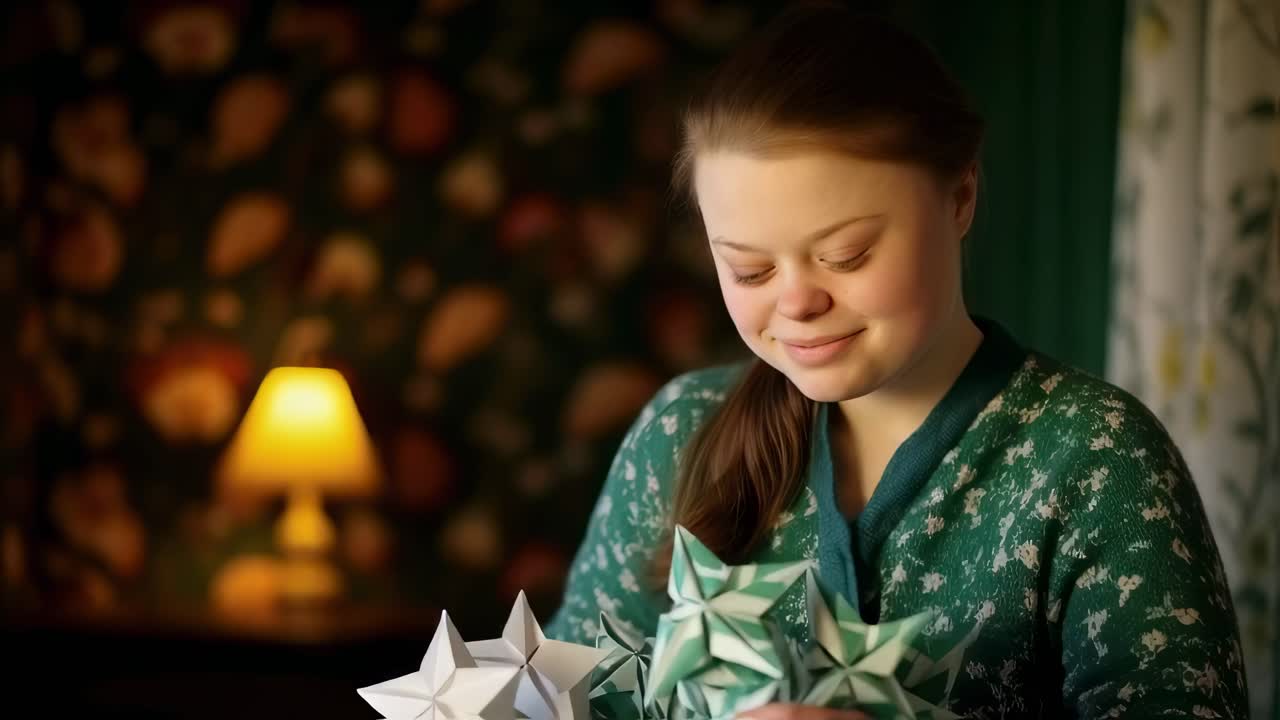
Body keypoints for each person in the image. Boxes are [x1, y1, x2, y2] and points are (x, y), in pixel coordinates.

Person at [544, 4, 1250, 718]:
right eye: (750, 270)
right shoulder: (679, 434)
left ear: (960, 196)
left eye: (846, 256)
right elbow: (566, 696)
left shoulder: (1095, 460)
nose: (797, 303)